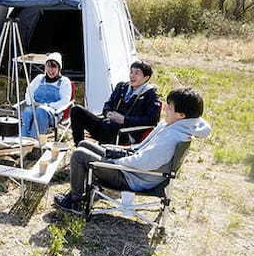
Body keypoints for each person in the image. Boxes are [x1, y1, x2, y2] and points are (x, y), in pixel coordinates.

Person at [54, 87, 211, 214]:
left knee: (79, 155)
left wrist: (115, 161)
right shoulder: (176, 126)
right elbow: (141, 151)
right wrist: (119, 151)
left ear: (182, 115)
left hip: (133, 177)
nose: (166, 109)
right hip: (133, 169)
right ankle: (79, 194)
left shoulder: (172, 137)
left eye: (170, 107)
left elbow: (143, 162)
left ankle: (75, 202)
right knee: (83, 144)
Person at [70, 60, 161, 146]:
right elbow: (107, 105)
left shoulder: (151, 94)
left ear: (146, 78)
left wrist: (124, 119)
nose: (132, 76)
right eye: (131, 72)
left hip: (127, 132)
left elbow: (152, 120)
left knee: (109, 125)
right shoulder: (122, 87)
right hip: (107, 125)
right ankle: (80, 147)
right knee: (76, 110)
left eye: (137, 73)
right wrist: (108, 113)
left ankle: (101, 155)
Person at [21, 52, 72, 139]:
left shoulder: (64, 82)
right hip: (35, 106)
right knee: (27, 112)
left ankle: (35, 141)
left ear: (59, 68)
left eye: (54, 67)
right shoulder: (39, 78)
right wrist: (32, 103)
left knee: (41, 111)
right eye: (48, 66)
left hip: (52, 112)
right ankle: (23, 140)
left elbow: (65, 101)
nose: (51, 70)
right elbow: (29, 91)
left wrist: (47, 105)